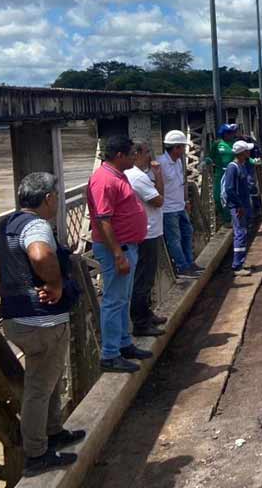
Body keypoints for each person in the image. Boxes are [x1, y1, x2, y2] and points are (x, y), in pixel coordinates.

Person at [0, 172, 86, 477]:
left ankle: (53, 431)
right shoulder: (36, 226)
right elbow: (40, 253)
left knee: (47, 379)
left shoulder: (7, 224)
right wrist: (56, 283)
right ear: (48, 198)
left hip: (16, 319)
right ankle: (36, 454)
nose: (58, 202)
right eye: (56, 197)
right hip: (42, 321)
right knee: (39, 386)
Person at [87, 135, 152, 373]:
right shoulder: (104, 180)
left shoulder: (118, 175)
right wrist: (117, 254)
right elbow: (103, 220)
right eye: (131, 154)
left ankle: (124, 344)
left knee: (122, 299)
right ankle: (110, 354)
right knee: (114, 301)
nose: (135, 158)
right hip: (118, 249)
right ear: (119, 156)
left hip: (127, 246)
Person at [124, 141, 167, 338]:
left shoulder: (134, 175)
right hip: (147, 233)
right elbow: (158, 200)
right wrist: (158, 175)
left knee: (145, 278)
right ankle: (141, 323)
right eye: (148, 152)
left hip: (147, 231)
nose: (151, 157)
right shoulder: (138, 177)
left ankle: (146, 314)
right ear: (138, 154)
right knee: (143, 279)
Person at [158, 130, 203, 278]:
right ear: (176, 147)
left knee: (187, 233)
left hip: (180, 206)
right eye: (182, 147)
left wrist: (186, 200)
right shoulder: (160, 163)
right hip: (168, 210)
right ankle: (181, 267)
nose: (184, 150)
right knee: (174, 239)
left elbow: (182, 182)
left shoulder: (178, 162)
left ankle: (190, 263)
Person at [222, 139, 255, 272]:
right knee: (240, 233)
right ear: (242, 153)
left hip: (244, 205)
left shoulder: (242, 165)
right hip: (238, 207)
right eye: (247, 150)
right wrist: (238, 205)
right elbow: (230, 189)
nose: (249, 152)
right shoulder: (233, 167)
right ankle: (237, 265)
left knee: (243, 231)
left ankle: (241, 261)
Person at [208, 123, 238, 225]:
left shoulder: (235, 143)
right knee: (217, 196)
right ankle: (223, 216)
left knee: (230, 194)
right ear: (223, 133)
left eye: (232, 133)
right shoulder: (217, 144)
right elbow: (210, 156)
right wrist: (206, 161)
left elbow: (243, 156)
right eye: (228, 133)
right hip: (220, 172)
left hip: (232, 172)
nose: (231, 135)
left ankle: (230, 219)